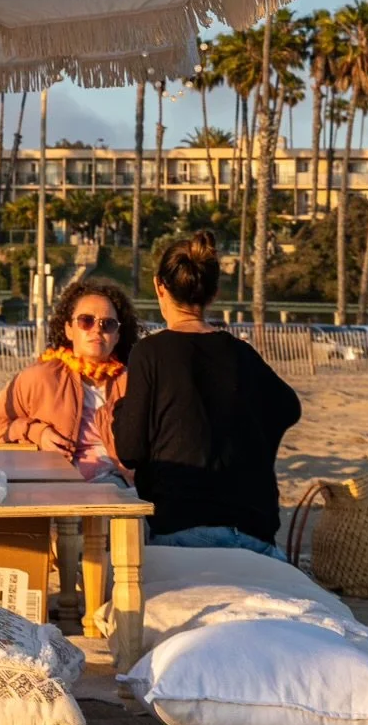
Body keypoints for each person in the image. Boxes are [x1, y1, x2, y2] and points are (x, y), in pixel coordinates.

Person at [112, 230, 302, 553]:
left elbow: (129, 450)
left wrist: (120, 411)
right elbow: (289, 407)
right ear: (213, 294)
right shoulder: (240, 353)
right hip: (256, 530)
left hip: (183, 525)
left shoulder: (150, 352)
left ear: (160, 286)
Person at [0, 277, 137, 476]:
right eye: (86, 321)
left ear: (118, 336)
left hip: (126, 491)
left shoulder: (135, 382)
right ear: (69, 329)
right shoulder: (39, 378)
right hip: (59, 490)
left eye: (108, 324)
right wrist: (35, 432)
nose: (97, 329)